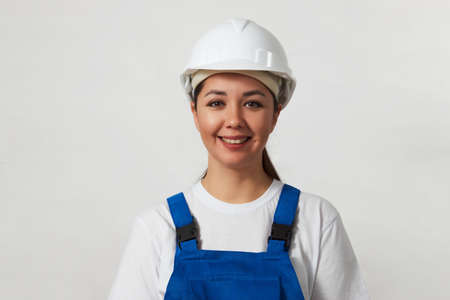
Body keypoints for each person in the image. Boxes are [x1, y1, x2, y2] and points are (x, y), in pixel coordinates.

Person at [108, 18, 369, 300]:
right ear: (195, 112)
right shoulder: (158, 228)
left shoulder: (315, 220)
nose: (233, 120)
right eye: (216, 103)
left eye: (252, 103)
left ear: (275, 114)